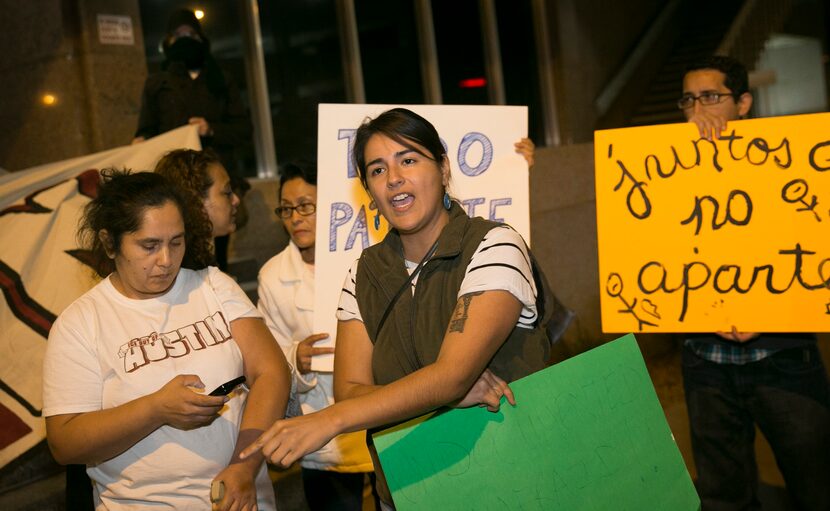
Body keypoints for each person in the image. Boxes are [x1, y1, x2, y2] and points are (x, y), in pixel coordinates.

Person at [240, 108, 551, 509]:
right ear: (368, 190)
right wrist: (440, 394)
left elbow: (452, 375)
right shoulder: (362, 274)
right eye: (377, 170)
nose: (394, 179)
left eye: (408, 160)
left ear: (441, 167)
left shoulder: (495, 245)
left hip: (506, 483)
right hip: (406, 488)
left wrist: (330, 419)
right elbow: (348, 390)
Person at [43, 170, 291, 510]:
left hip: (243, 497)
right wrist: (155, 408)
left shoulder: (212, 284)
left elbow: (272, 372)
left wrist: (243, 466)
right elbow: (65, 442)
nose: (166, 259)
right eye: (149, 246)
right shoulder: (80, 323)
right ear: (109, 243)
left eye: (176, 242)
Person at [678, 55, 830, 510]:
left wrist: (768, 312)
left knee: (815, 485)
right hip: (705, 360)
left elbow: (808, 248)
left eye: (711, 96)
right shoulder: (663, 168)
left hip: (782, 356)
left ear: (743, 103)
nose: (697, 108)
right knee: (724, 495)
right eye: (688, 99)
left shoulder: (787, 160)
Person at [257, 161, 378, 510]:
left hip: (379, 415)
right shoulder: (272, 275)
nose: (295, 217)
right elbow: (268, 352)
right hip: (322, 430)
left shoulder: (369, 253)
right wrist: (296, 357)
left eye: (306, 206)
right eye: (286, 208)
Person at [133, 8, 251, 270]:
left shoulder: (221, 80)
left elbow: (243, 129)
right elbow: (146, 130)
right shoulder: (157, 83)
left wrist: (211, 129)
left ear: (201, 38)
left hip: (214, 180)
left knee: (217, 251)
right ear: (168, 41)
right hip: (173, 183)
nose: (185, 39)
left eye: (191, 34)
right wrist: (140, 141)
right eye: (178, 35)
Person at [154, 148, 240, 262]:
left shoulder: (197, 261)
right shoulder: (181, 270)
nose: (236, 200)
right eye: (227, 192)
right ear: (196, 200)